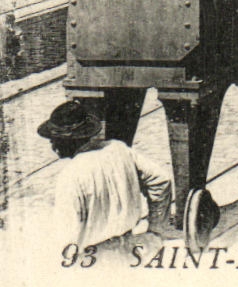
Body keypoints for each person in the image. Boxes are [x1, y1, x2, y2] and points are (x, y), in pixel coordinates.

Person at [38, 100, 172, 252]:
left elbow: (67, 234)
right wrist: (155, 230)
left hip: (93, 258)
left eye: (55, 140)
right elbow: (161, 180)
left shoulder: (70, 175)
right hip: (129, 249)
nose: (53, 146)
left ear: (69, 139)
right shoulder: (119, 149)